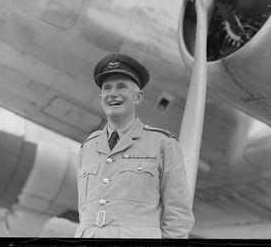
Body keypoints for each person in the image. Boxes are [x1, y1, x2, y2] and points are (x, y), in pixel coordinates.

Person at [74, 53, 194, 238]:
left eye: (121, 86)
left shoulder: (163, 144)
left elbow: (178, 217)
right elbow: (85, 209)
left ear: (138, 97)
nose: (112, 93)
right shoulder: (87, 147)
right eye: (107, 88)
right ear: (100, 98)